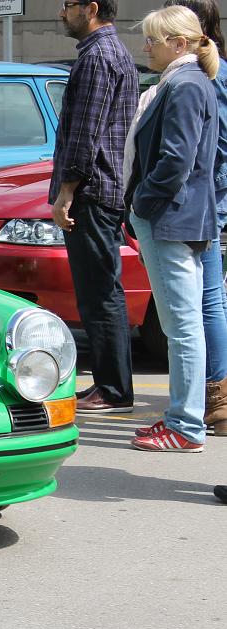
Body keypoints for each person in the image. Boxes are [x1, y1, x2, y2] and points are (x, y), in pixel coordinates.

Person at [126, 5, 218, 452]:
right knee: (187, 325)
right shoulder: (191, 81)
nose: (146, 47)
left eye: (153, 40)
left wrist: (141, 203)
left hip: (170, 219)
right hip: (183, 218)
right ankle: (184, 420)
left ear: (179, 44)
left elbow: (176, 161)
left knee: (181, 327)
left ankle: (185, 425)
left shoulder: (184, 84)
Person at [49, 0, 137, 414]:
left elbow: (85, 133)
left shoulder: (98, 57)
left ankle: (114, 389)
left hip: (92, 190)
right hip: (102, 187)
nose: (62, 13)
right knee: (101, 290)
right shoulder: (111, 52)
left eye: (68, 5)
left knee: (99, 292)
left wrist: (67, 190)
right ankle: (109, 384)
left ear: (92, 8)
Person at [165, 0, 227, 446]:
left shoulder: (207, 74)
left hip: (205, 198)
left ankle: (214, 396)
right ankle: (213, 396)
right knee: (208, 300)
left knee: (203, 302)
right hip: (210, 197)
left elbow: (208, 146)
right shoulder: (207, 71)